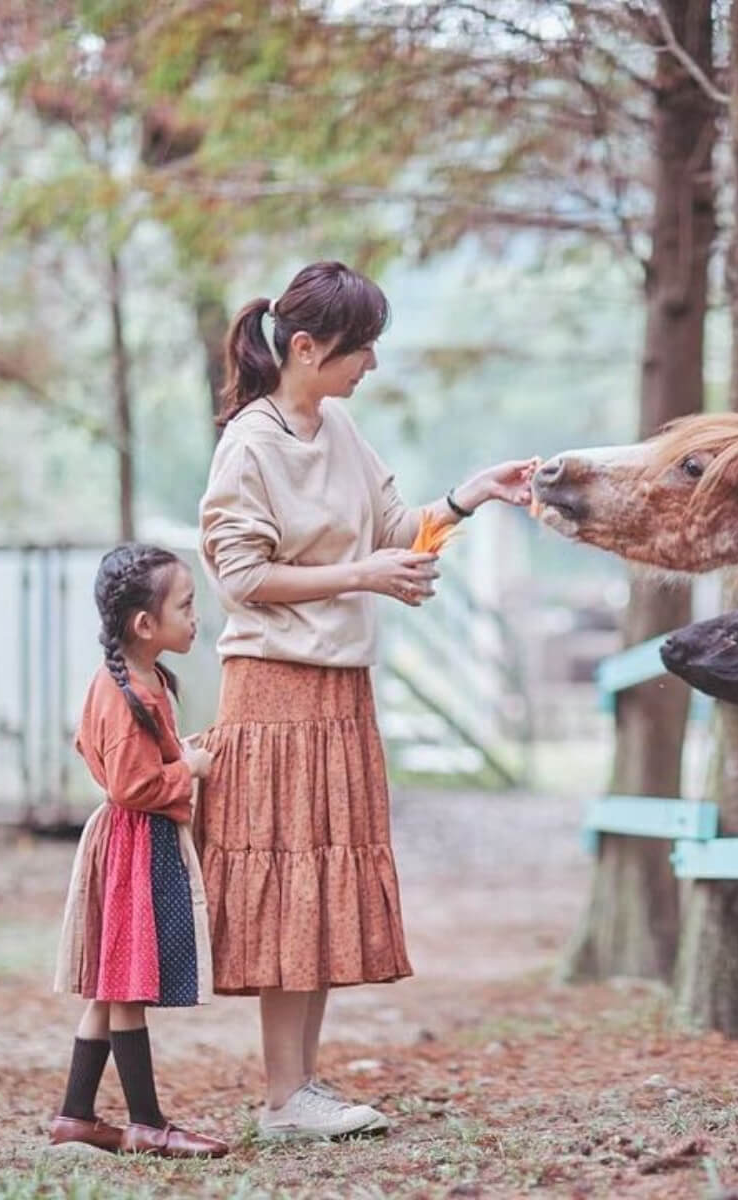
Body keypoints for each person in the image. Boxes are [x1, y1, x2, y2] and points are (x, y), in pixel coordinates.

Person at [197, 260, 535, 1141]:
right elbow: (239, 575)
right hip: (271, 693)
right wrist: (364, 577)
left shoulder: (340, 428)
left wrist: (469, 496)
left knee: (321, 881)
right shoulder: (250, 444)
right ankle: (284, 1096)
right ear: (305, 348)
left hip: (340, 690)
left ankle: (299, 1088)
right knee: (285, 884)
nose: (371, 366)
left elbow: (396, 530)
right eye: (361, 349)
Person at [48, 543, 228, 1159]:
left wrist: (182, 751)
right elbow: (132, 784)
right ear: (144, 625)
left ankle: (75, 1114)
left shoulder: (139, 679)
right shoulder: (126, 691)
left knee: (110, 984)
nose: (195, 615)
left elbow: (124, 757)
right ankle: (147, 1123)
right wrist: (190, 772)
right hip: (133, 846)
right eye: (186, 604)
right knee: (125, 986)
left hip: (131, 839)